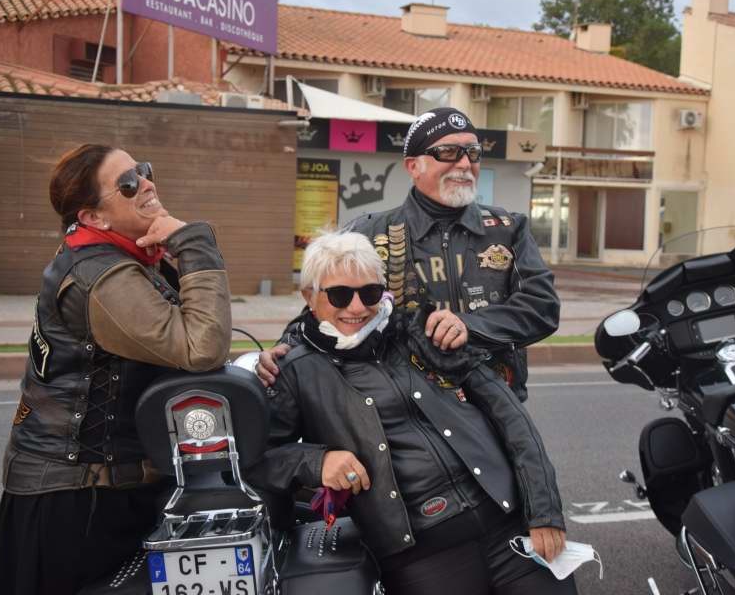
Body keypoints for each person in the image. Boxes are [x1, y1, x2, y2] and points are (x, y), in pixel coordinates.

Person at [246, 230, 576, 595]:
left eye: (369, 293)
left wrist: (544, 512)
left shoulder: (421, 330)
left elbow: (511, 417)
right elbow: (258, 459)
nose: (356, 308)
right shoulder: (294, 368)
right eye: (339, 295)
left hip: (508, 522)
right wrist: (316, 461)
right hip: (421, 553)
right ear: (309, 297)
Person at [0, 144, 233, 595]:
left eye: (142, 171)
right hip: (77, 503)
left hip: (104, 491)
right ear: (94, 219)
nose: (146, 184)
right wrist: (194, 240)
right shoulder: (104, 276)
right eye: (127, 183)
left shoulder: (128, 261)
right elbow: (201, 346)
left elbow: (185, 343)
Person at [258, 107, 559, 401]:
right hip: (406, 413)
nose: (465, 164)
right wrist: (283, 349)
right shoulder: (369, 232)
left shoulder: (508, 228)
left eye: (473, 153)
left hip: (497, 405)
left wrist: (470, 326)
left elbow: (542, 307)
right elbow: (322, 305)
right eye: (449, 152)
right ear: (413, 166)